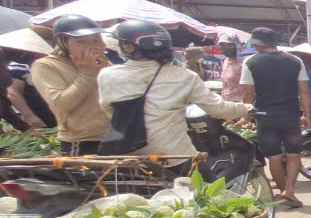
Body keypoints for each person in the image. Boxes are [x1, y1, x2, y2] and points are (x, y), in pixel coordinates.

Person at [97, 21, 252, 160]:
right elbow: (219, 109)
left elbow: (108, 109)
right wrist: (247, 109)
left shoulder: (107, 74)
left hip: (125, 156)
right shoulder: (184, 76)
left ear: (128, 47)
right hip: (174, 156)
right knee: (209, 187)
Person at [240, 27, 310, 208]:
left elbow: (248, 94)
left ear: (257, 44)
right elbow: (304, 91)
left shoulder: (250, 62)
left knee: (274, 157)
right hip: (291, 115)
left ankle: (282, 191)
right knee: (294, 154)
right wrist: (306, 115)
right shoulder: (295, 61)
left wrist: (245, 117)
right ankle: (290, 190)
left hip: (265, 117)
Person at [30, 15, 112, 155]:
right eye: (81, 41)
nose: (91, 46)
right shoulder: (46, 65)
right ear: (63, 42)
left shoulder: (103, 62)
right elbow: (60, 104)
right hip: (82, 142)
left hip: (115, 137)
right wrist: (87, 72)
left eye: (96, 40)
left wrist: (105, 68)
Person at [218, 35, 245, 102]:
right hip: (226, 102)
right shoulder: (226, 61)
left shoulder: (243, 63)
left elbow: (249, 87)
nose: (225, 48)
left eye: (229, 45)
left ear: (237, 46)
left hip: (240, 103)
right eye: (222, 45)